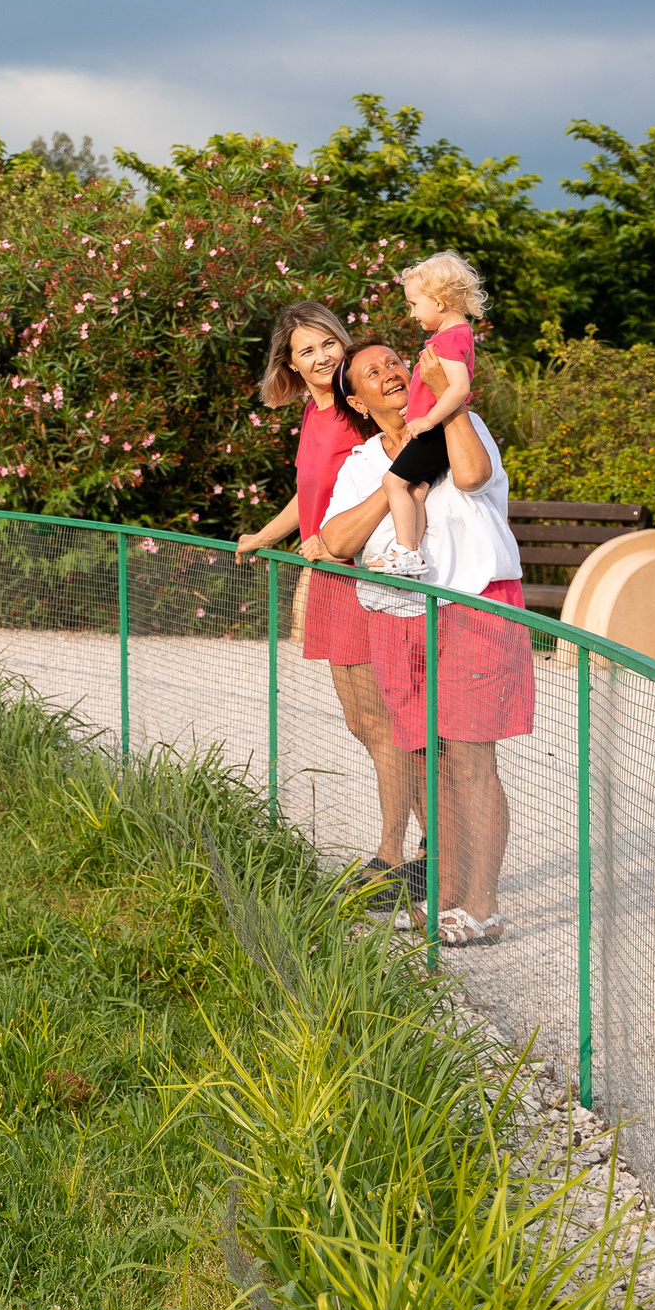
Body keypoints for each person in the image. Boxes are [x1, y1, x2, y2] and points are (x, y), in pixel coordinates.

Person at [320, 342, 532, 948]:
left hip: (474, 603)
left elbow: (472, 477)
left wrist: (453, 400)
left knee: (469, 757)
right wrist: (392, 484)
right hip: (398, 615)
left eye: (395, 362)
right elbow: (336, 540)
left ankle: (482, 907)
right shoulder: (361, 462)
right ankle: (445, 893)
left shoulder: (458, 427)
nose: (389, 373)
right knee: (420, 756)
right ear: (356, 400)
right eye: (371, 372)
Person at [234, 302, 427, 904]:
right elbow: (309, 497)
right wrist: (267, 535)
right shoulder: (315, 418)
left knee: (387, 722)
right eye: (305, 351)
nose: (321, 359)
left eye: (326, 344)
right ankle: (427, 846)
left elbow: (403, 466)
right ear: (289, 366)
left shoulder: (357, 413)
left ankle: (398, 856)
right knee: (364, 722)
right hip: (330, 580)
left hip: (364, 574)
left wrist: (340, 535)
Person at [374, 252, 484, 577]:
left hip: (434, 431)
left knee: (392, 482)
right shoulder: (454, 335)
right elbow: (436, 386)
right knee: (416, 491)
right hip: (433, 427)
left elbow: (458, 388)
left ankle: (406, 550)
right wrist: (417, 407)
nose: (411, 313)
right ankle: (412, 552)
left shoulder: (450, 339)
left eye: (414, 304)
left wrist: (427, 419)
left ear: (438, 302)